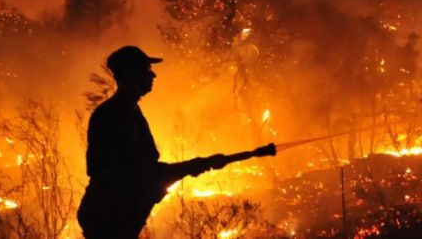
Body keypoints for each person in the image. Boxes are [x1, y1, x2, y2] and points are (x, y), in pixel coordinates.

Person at [77, 45, 275, 238]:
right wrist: (156, 183)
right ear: (130, 75)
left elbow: (142, 169)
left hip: (115, 215)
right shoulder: (113, 114)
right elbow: (107, 172)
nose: (153, 75)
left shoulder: (128, 110)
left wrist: (195, 166)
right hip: (110, 217)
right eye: (146, 70)